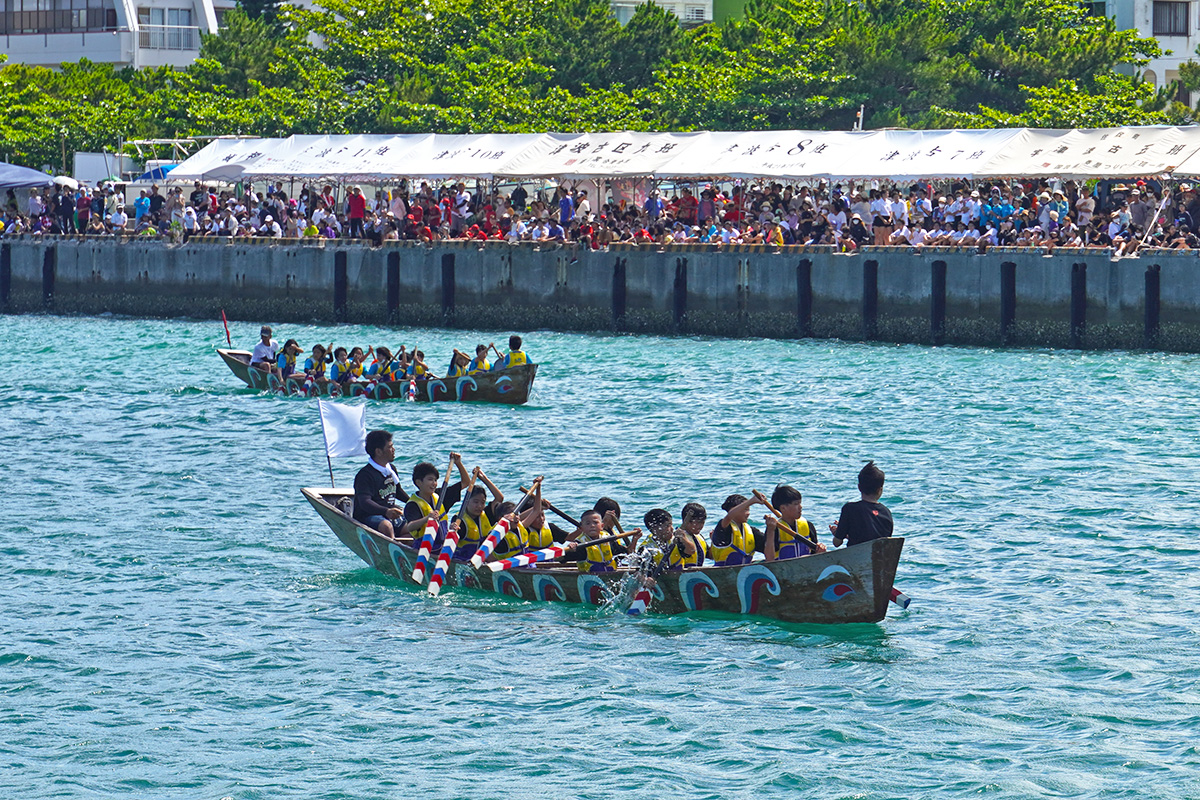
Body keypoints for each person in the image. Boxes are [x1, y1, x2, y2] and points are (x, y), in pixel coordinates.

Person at [353, 429, 411, 538]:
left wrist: (414, 503)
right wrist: (386, 511)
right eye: (389, 447)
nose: (393, 450)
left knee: (414, 526)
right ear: (378, 451)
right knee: (387, 526)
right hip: (368, 516)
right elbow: (365, 502)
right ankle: (391, 550)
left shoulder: (391, 470)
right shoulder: (365, 475)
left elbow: (397, 491)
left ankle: (411, 551)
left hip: (389, 513)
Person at [400, 454, 471, 538]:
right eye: (430, 479)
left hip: (442, 544)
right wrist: (427, 518)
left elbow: (466, 482)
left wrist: (458, 463)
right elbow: (410, 527)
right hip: (424, 545)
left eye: (435, 480)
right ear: (419, 482)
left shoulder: (441, 495)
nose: (434, 483)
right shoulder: (412, 504)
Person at [829, 461, 893, 548]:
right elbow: (877, 543)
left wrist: (839, 533)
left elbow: (837, 543)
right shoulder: (886, 512)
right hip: (880, 559)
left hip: (855, 560)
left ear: (859, 487)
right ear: (880, 490)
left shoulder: (849, 509)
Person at [451, 467, 506, 559]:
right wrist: (452, 529)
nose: (480, 506)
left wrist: (483, 478)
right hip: (463, 560)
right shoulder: (459, 519)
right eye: (476, 502)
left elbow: (499, 498)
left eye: (482, 502)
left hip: (483, 560)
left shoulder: (486, 514)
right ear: (467, 501)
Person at [765, 485, 825, 560]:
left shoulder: (808, 525)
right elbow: (769, 559)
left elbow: (815, 554)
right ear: (783, 508)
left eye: (800, 503)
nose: (800, 507)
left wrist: (820, 550)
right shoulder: (775, 529)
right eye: (796, 504)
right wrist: (770, 531)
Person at [709, 494, 764, 565]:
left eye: (748, 510)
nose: (748, 513)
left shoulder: (751, 531)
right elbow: (729, 516)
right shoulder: (723, 528)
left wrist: (771, 529)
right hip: (724, 571)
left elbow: (769, 546)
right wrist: (751, 501)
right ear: (733, 509)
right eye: (745, 509)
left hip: (744, 572)